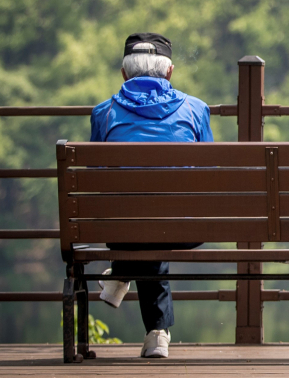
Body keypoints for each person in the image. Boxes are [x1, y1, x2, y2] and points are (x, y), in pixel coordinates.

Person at [90, 32, 213, 358]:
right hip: (187, 229)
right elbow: (210, 176)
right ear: (170, 72)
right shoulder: (196, 109)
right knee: (157, 220)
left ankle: (122, 276)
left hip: (122, 230)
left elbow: (99, 183)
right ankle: (157, 333)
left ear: (124, 74)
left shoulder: (103, 113)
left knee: (140, 219)